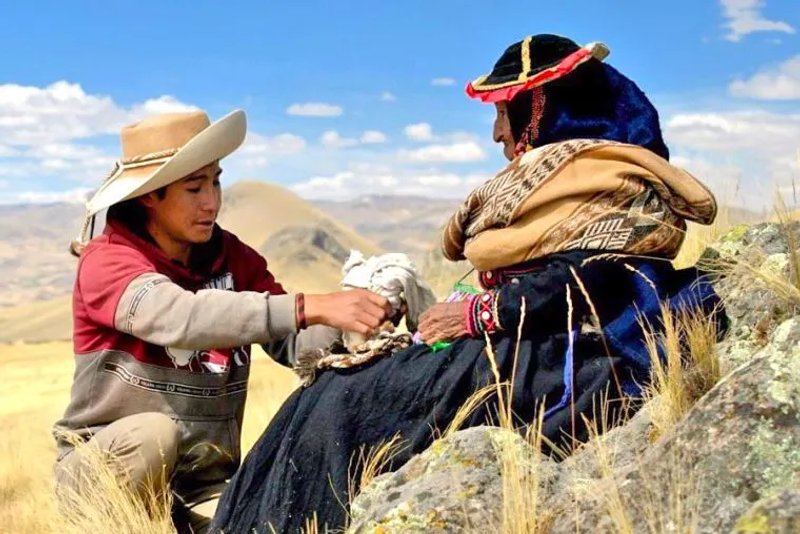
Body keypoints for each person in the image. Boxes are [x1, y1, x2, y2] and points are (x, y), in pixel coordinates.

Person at [211, 34, 727, 533]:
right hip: (530, 342)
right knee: (326, 393)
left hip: (566, 356)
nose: (497, 133)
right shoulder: (569, 177)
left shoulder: (609, 179)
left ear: (543, 107)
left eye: (504, 113)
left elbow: (593, 278)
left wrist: (478, 314)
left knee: (347, 401)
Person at [52, 109, 392, 533]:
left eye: (215, 181)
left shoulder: (233, 257)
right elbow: (177, 316)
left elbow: (294, 344)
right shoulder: (107, 261)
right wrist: (307, 305)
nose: (211, 201)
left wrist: (357, 322)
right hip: (103, 474)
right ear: (149, 197)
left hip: (204, 484)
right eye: (194, 187)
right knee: (152, 436)